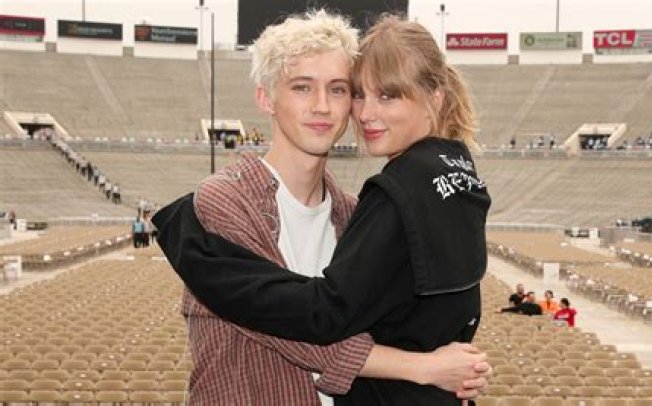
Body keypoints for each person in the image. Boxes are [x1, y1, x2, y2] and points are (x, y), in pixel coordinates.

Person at [153, 11, 489, 406]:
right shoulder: (225, 200)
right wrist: (425, 368)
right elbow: (296, 335)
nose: (322, 106)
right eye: (302, 88)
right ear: (266, 98)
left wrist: (457, 368)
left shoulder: (354, 213)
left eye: (339, 90)